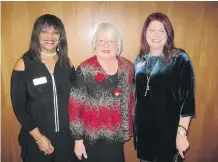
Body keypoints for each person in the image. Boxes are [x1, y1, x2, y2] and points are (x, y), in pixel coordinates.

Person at [10, 14, 75, 162]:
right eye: (44, 31)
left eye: (55, 32)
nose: (50, 36)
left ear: (60, 37)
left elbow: (76, 100)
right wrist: (39, 138)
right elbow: (19, 108)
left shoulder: (67, 64)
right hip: (36, 139)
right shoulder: (24, 64)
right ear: (36, 34)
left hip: (66, 140)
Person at [133, 12, 196, 162]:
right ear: (145, 33)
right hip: (144, 135)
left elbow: (187, 99)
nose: (156, 34)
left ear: (168, 33)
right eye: (151, 30)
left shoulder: (179, 58)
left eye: (162, 30)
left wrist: (181, 133)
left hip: (168, 133)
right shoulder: (139, 60)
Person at [68, 23, 135, 162]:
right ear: (94, 44)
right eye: (101, 41)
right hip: (92, 139)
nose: (106, 45)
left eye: (111, 41)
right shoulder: (85, 69)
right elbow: (75, 107)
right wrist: (78, 140)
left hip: (117, 138)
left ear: (118, 45)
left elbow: (132, 99)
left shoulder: (128, 67)